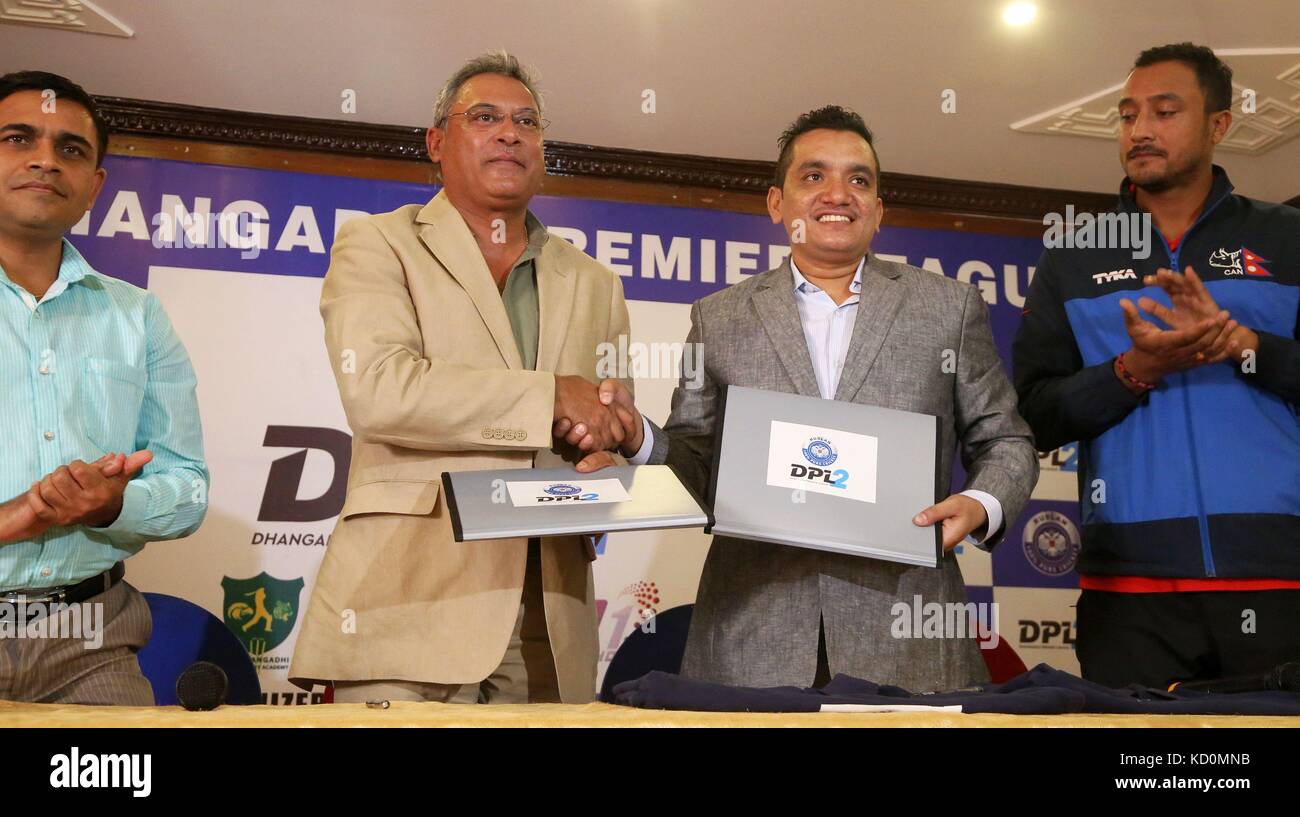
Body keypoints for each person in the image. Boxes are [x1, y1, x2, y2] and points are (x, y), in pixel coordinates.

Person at [575, 106, 1037, 691]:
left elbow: (1006, 439)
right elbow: (696, 463)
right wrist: (640, 437)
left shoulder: (948, 308)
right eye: (814, 176)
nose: (838, 194)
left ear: (878, 211)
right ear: (777, 204)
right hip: (752, 635)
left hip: (907, 635)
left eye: (859, 179)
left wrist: (981, 504)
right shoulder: (719, 317)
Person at [290, 52, 633, 704]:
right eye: (486, 117)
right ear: (437, 143)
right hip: (404, 607)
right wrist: (549, 395)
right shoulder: (377, 244)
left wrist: (607, 465)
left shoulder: (597, 284)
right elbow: (381, 390)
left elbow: (609, 422)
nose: (510, 132)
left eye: (527, 122)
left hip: (548, 622)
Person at [1013, 43, 1300, 688]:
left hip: (1284, 576)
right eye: (1127, 115)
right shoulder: (1072, 257)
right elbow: (1032, 416)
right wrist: (1133, 369)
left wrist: (1245, 347)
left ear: (1219, 125)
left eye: (1165, 111)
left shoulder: (1289, 239)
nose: (1139, 130)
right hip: (1131, 589)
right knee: (1150, 777)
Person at [0, 71, 209, 705]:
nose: (45, 159)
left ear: (94, 186)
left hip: (90, 642)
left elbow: (188, 486)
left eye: (71, 148)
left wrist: (112, 505)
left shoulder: (138, 316)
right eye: (18, 138)